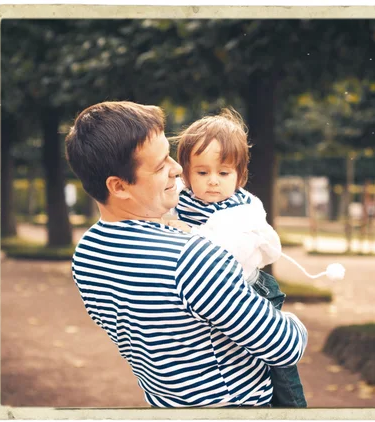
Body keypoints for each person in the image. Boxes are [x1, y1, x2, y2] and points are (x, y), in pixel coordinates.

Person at [64, 101, 308, 408]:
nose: (178, 168)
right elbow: (284, 346)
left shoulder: (88, 254)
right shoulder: (191, 259)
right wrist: (292, 323)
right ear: (119, 186)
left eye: (169, 154)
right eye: (160, 164)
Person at [172, 108, 309, 407]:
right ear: (185, 173)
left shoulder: (244, 208)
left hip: (254, 287)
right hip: (218, 288)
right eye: (202, 172)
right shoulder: (179, 200)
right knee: (238, 349)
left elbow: (257, 248)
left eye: (223, 173)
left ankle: (295, 409)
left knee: (278, 363)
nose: (213, 182)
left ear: (240, 176)